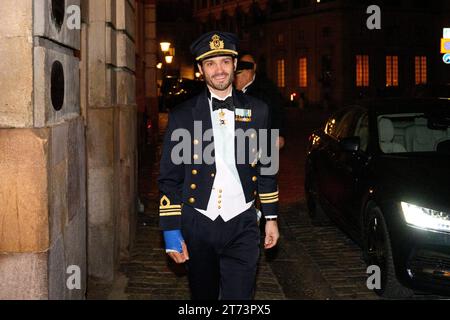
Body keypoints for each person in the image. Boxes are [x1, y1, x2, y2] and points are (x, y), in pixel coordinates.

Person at [158, 31, 280, 300]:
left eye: (225, 61)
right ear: (201, 69)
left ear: (235, 65)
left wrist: (270, 217)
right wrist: (170, 232)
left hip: (243, 223)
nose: (219, 70)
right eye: (211, 64)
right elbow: (169, 178)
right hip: (198, 222)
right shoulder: (182, 116)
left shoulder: (260, 110)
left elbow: (267, 167)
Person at [234, 53, 286, 149]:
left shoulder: (266, 88)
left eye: (239, 74)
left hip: (262, 141)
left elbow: (277, 111)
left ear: (252, 70)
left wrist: (279, 134)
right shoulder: (233, 91)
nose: (236, 78)